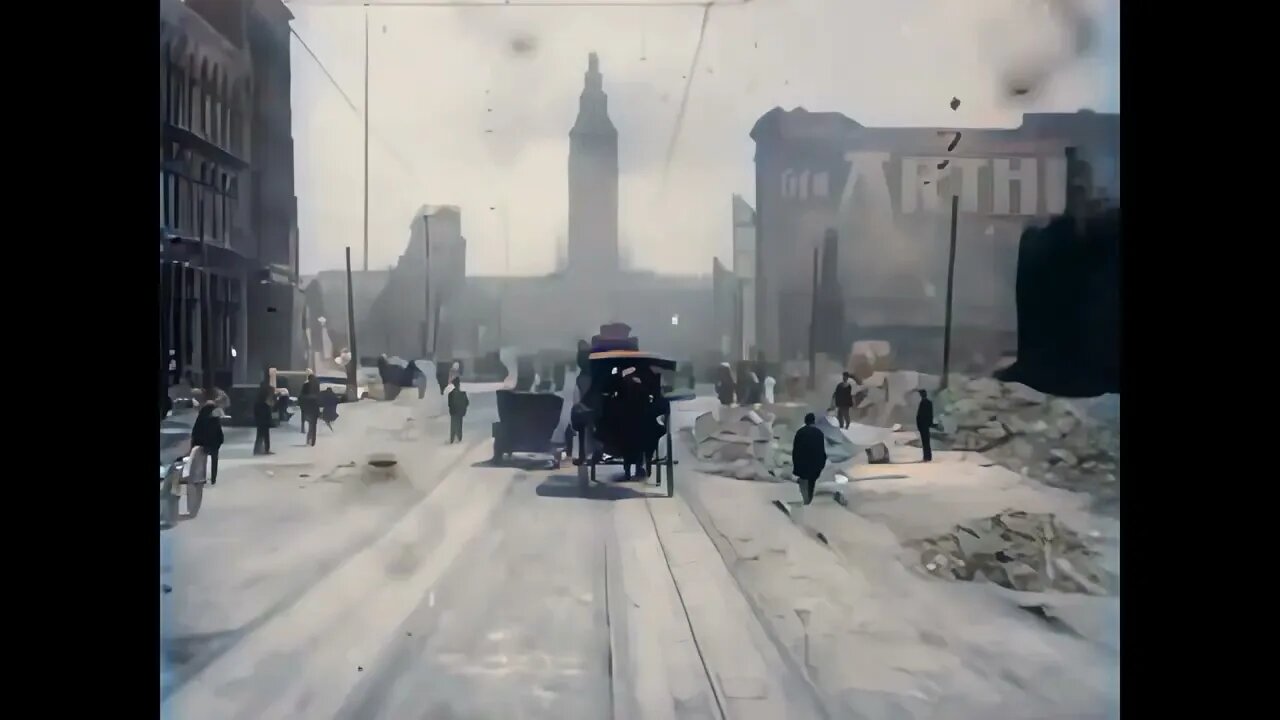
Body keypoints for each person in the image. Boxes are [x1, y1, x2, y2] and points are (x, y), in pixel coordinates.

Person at [792, 413, 827, 505]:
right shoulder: (819, 433)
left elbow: (795, 450)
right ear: (813, 421)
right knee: (812, 482)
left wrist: (795, 463)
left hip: (802, 463)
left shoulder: (800, 432)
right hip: (815, 463)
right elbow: (821, 450)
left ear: (805, 421)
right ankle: (809, 499)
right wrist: (822, 463)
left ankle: (805, 500)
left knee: (803, 482)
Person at [190, 401, 224, 485]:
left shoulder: (201, 417)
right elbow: (219, 431)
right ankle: (213, 478)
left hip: (202, 443)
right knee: (214, 460)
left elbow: (195, 431)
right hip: (214, 443)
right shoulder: (215, 418)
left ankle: (202, 478)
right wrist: (220, 441)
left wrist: (194, 443)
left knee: (202, 461)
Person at [253, 379, 275, 455]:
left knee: (259, 434)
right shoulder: (265, 400)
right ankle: (265, 449)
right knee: (265, 434)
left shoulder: (258, 399)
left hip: (259, 418)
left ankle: (257, 450)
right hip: (264, 418)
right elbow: (270, 405)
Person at [299, 372, 320, 446]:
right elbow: (318, 396)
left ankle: (309, 438)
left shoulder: (305, 385)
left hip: (307, 407)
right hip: (314, 407)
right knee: (313, 425)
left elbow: (301, 395)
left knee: (310, 423)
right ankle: (312, 440)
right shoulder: (317, 386)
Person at [447, 378, 469, 443]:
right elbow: (467, 402)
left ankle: (452, 439)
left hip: (454, 412)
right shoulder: (462, 393)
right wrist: (463, 410)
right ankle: (459, 439)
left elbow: (449, 404)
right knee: (459, 426)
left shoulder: (451, 394)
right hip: (459, 412)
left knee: (453, 426)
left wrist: (451, 411)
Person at [916, 389, 935, 462]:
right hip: (925, 425)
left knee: (925, 442)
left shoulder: (923, 403)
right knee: (926, 441)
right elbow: (931, 415)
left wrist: (919, 424)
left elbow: (920, 415)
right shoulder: (929, 403)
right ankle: (928, 456)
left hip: (923, 425)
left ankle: (926, 457)